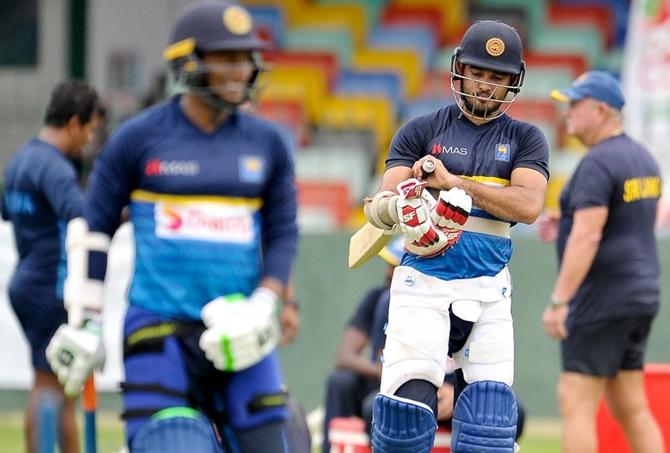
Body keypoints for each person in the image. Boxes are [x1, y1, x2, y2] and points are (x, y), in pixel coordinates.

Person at [45, 2, 306, 452]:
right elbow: (95, 230)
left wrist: (267, 300)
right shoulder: (137, 138)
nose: (240, 70)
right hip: (159, 327)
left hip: (241, 326)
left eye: (245, 58)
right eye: (226, 57)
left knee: (278, 444)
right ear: (188, 61)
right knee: (176, 444)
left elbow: (282, 232)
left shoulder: (268, 144)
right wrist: (85, 319)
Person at [362, 20, 549, 452]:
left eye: (497, 77)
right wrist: (406, 209)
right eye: (478, 72)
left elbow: (527, 205)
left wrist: (453, 184)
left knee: (489, 427)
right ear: (458, 68)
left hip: (488, 289)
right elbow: (383, 205)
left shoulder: (525, 138)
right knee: (404, 422)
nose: (485, 85)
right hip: (423, 283)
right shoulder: (421, 130)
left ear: (512, 82)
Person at [540, 71, 664, 453]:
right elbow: (626, 221)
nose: (567, 113)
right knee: (630, 405)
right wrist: (569, 220)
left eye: (575, 104)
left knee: (574, 402)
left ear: (602, 109)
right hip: (641, 294)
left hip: (601, 298)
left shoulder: (596, 163)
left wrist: (560, 301)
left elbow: (590, 235)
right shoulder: (643, 158)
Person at [322, 238, 526, 452]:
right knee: (376, 401)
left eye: (395, 265)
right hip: (408, 385)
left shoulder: (480, 297)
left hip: (454, 392)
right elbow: (345, 356)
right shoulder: (383, 299)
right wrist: (394, 372)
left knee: (501, 409)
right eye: (391, 266)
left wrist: (450, 392)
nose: (389, 272)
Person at [1, 80, 100, 453]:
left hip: (26, 280)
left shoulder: (22, 158)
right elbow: (83, 216)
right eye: (89, 129)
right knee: (54, 388)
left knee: (52, 386)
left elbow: (8, 213)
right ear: (73, 123)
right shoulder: (54, 167)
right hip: (49, 287)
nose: (89, 140)